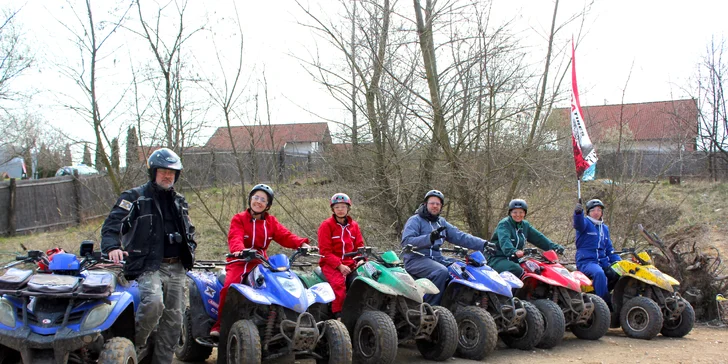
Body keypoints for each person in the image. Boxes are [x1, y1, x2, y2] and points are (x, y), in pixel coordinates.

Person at [101, 148, 197, 364]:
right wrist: (112, 247)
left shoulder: (179, 201)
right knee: (154, 304)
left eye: (172, 173)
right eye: (163, 171)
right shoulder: (134, 197)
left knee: (174, 322)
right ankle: (133, 347)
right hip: (148, 265)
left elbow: (189, 229)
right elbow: (112, 225)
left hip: (177, 267)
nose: (167, 176)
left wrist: (190, 246)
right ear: (153, 172)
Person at [210, 183, 310, 337]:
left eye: (263, 199)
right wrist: (240, 250)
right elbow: (235, 237)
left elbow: (285, 236)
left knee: (280, 283)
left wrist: (301, 243)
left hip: (261, 261)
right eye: (256, 197)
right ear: (250, 199)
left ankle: (279, 322)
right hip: (240, 260)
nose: (258, 201)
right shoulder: (239, 218)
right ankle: (220, 325)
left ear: (268, 205)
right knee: (230, 286)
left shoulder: (271, 222)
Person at [401, 190, 488, 305]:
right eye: (432, 203)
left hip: (437, 258)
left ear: (441, 207)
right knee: (441, 271)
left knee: (464, 268)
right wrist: (429, 238)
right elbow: (407, 241)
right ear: (425, 204)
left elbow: (460, 236)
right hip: (415, 259)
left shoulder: (441, 222)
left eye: (438, 204)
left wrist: (484, 244)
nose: (435, 206)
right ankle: (431, 308)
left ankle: (456, 304)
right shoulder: (415, 220)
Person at [487, 199, 564, 279]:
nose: (518, 215)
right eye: (515, 212)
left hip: (515, 259)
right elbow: (505, 241)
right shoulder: (504, 224)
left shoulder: (525, 225)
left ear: (525, 213)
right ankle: (513, 291)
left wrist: (555, 247)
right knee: (517, 270)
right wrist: (514, 251)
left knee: (535, 268)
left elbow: (539, 238)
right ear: (510, 213)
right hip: (497, 258)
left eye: (521, 212)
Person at [318, 193, 365, 319]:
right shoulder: (326, 225)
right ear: (332, 209)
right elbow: (325, 252)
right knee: (339, 284)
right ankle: (339, 316)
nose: (340, 209)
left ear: (348, 208)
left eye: (343, 207)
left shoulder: (354, 226)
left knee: (364, 280)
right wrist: (339, 265)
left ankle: (362, 311)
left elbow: (360, 246)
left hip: (350, 262)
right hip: (331, 264)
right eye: (337, 207)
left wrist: (361, 260)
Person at [574, 199, 621, 308]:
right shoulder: (585, 223)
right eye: (593, 210)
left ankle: (616, 300)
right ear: (588, 212)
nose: (596, 212)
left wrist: (619, 262)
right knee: (599, 273)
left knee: (619, 272)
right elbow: (578, 223)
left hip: (603, 262)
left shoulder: (604, 228)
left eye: (599, 210)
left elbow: (609, 249)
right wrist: (577, 213)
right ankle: (604, 305)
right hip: (587, 262)